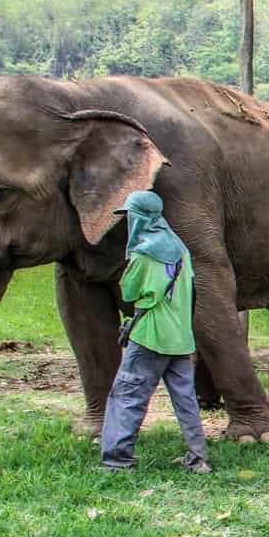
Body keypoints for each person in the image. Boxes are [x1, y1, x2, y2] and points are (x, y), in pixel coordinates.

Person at [100, 190, 210, 474]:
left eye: (130, 216)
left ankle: (117, 461)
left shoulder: (143, 254)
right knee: (185, 400)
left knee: (127, 395)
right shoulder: (182, 250)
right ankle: (199, 458)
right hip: (181, 338)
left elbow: (129, 291)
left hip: (149, 336)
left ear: (140, 218)